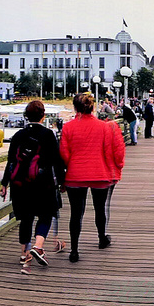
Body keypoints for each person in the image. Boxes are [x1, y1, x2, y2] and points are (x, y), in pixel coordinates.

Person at [59, 93, 125, 262]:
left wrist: (72, 165)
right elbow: (111, 150)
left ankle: (74, 250)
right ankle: (102, 238)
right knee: (100, 208)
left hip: (75, 175)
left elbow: (64, 154)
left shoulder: (67, 127)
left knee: (76, 213)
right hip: (99, 174)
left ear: (75, 108)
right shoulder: (104, 127)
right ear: (92, 107)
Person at [2, 100, 67, 274]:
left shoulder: (17, 135)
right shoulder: (48, 135)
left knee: (26, 218)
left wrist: (4, 184)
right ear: (43, 115)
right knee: (45, 215)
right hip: (42, 183)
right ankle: (38, 247)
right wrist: (62, 181)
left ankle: (24, 253)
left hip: (20, 185)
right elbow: (56, 160)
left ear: (26, 116)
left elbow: (11, 162)